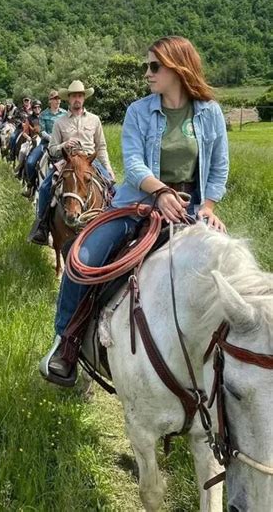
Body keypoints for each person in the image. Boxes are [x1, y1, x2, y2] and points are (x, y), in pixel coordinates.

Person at [39, 36, 229, 386]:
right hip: (137, 204)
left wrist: (210, 207)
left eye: (154, 66)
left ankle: (239, 362)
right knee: (83, 258)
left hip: (191, 209)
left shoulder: (210, 112)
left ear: (177, 67)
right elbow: (136, 163)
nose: (146, 73)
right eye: (147, 66)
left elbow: (218, 166)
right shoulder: (139, 111)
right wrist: (159, 193)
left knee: (234, 268)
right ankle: (65, 343)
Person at [28, 80, 116, 245]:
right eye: (74, 96)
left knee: (113, 188)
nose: (77, 99)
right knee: (46, 187)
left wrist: (108, 167)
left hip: (89, 162)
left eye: (80, 96)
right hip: (67, 160)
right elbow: (53, 149)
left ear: (84, 98)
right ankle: (42, 226)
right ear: (69, 99)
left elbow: (101, 147)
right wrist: (64, 145)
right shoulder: (60, 123)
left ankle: (116, 226)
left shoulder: (94, 120)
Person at [22, 90, 66, 197]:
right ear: (50, 101)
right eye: (55, 99)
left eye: (59, 98)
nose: (58, 101)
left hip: (64, 144)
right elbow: (42, 131)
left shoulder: (65, 113)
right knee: (30, 162)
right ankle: (31, 186)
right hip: (46, 143)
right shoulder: (43, 115)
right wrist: (53, 139)